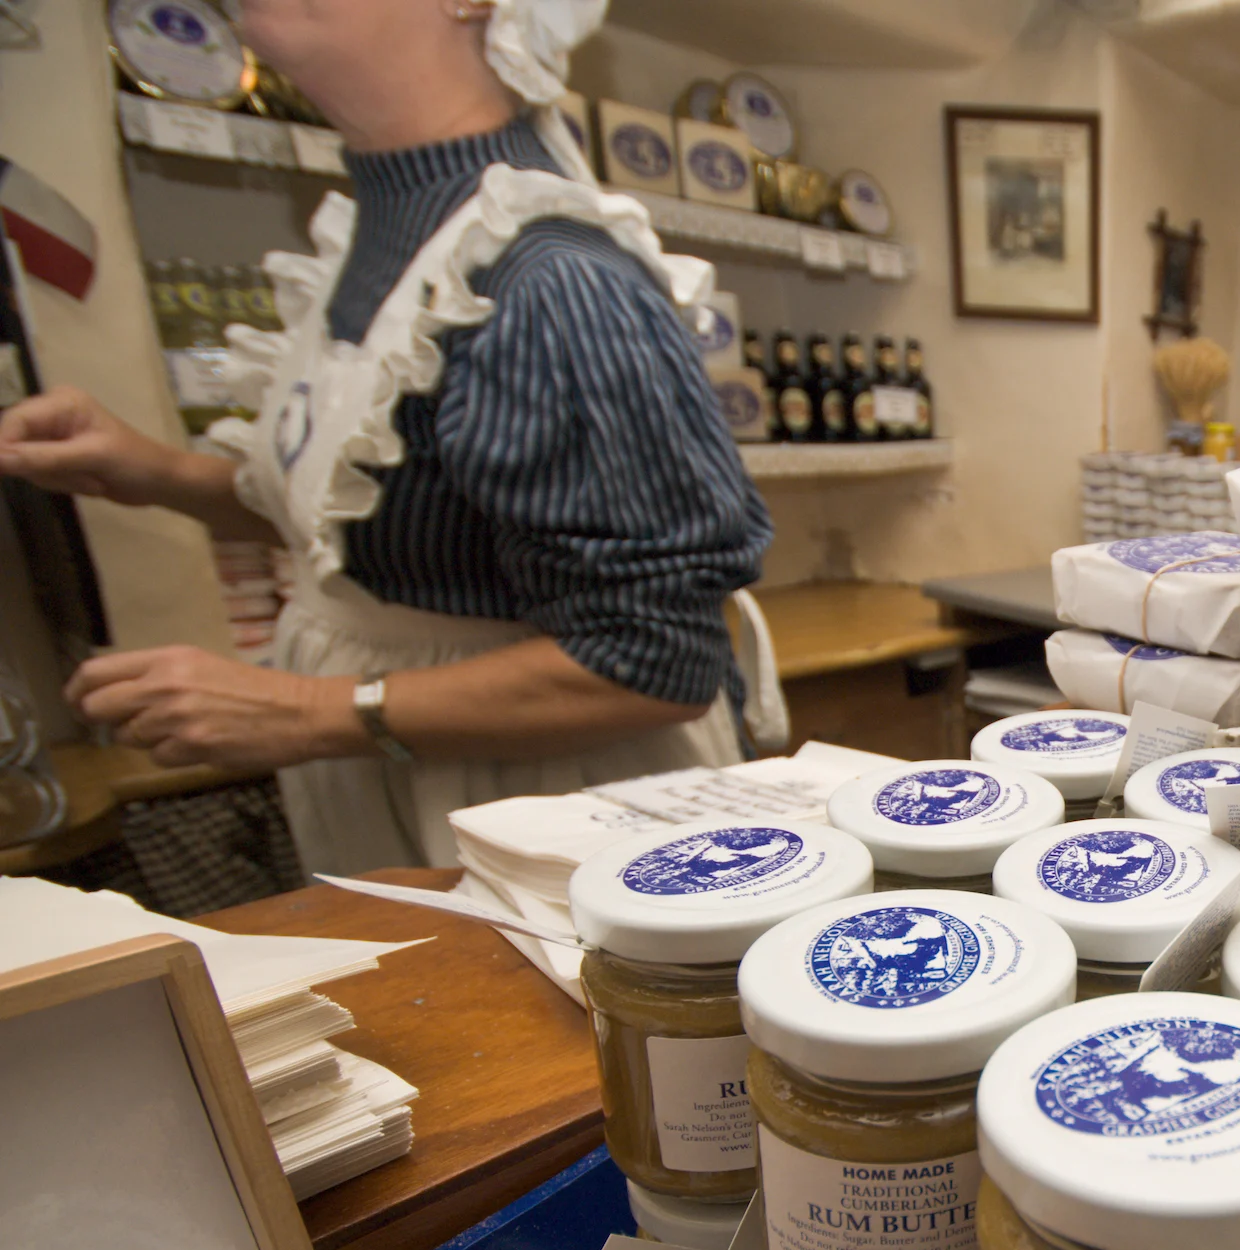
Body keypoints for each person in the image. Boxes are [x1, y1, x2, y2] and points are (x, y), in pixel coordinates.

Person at [0, 0, 783, 874]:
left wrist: (303, 710)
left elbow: (654, 656)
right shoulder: (387, 240)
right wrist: (151, 472)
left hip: (547, 810)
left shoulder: (553, 282)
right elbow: (391, 530)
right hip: (429, 783)